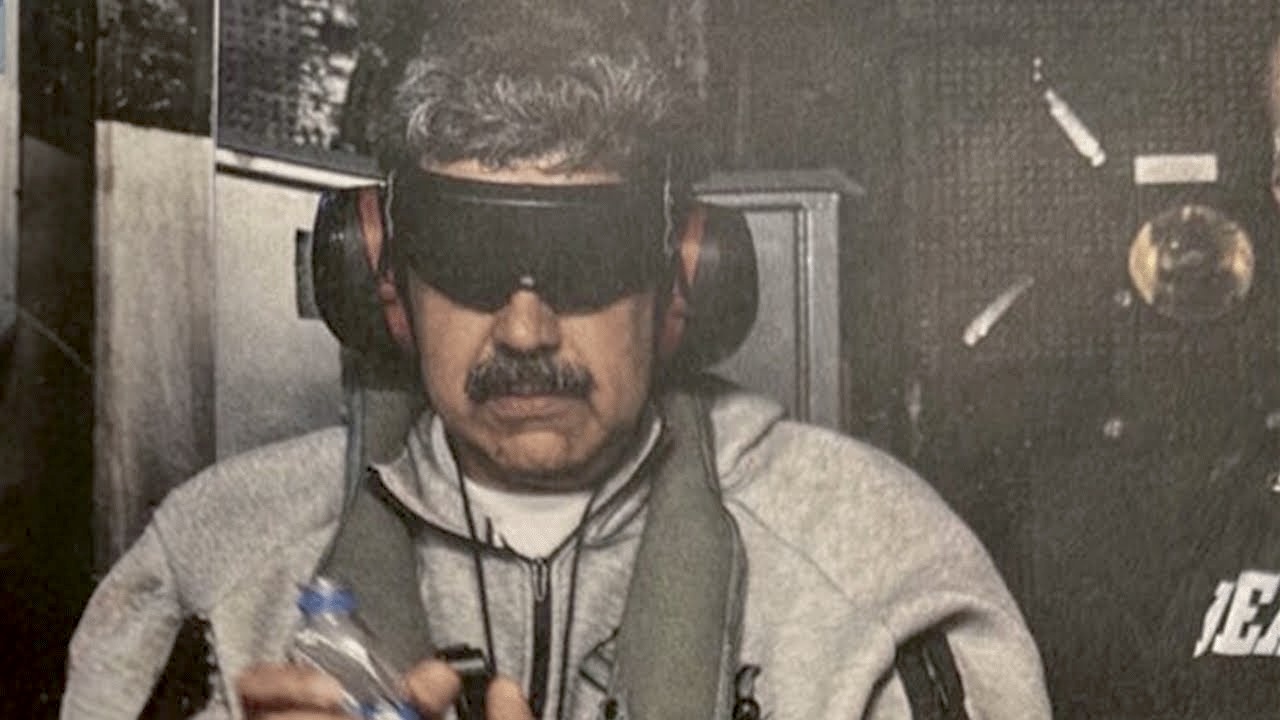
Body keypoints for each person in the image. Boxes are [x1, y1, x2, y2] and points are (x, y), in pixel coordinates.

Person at [60, 2, 1050, 718]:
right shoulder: (211, 572)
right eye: (469, 261)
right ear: (384, 280)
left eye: (583, 262)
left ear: (681, 282)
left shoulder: (881, 576)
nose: (526, 331)